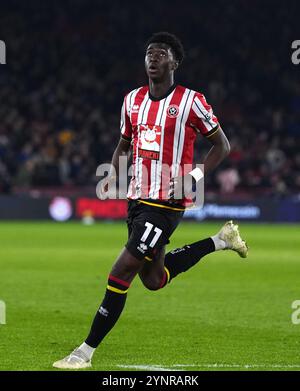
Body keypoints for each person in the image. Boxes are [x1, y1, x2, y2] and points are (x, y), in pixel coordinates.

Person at [53, 32, 248, 369]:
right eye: (149, 53)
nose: (153, 58)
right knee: (154, 280)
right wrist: (112, 175)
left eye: (161, 53)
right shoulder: (132, 101)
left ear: (174, 62)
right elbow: (124, 144)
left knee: (121, 271)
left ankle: (84, 352)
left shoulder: (191, 101)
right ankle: (221, 240)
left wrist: (194, 177)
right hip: (137, 201)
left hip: (166, 204)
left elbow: (222, 146)